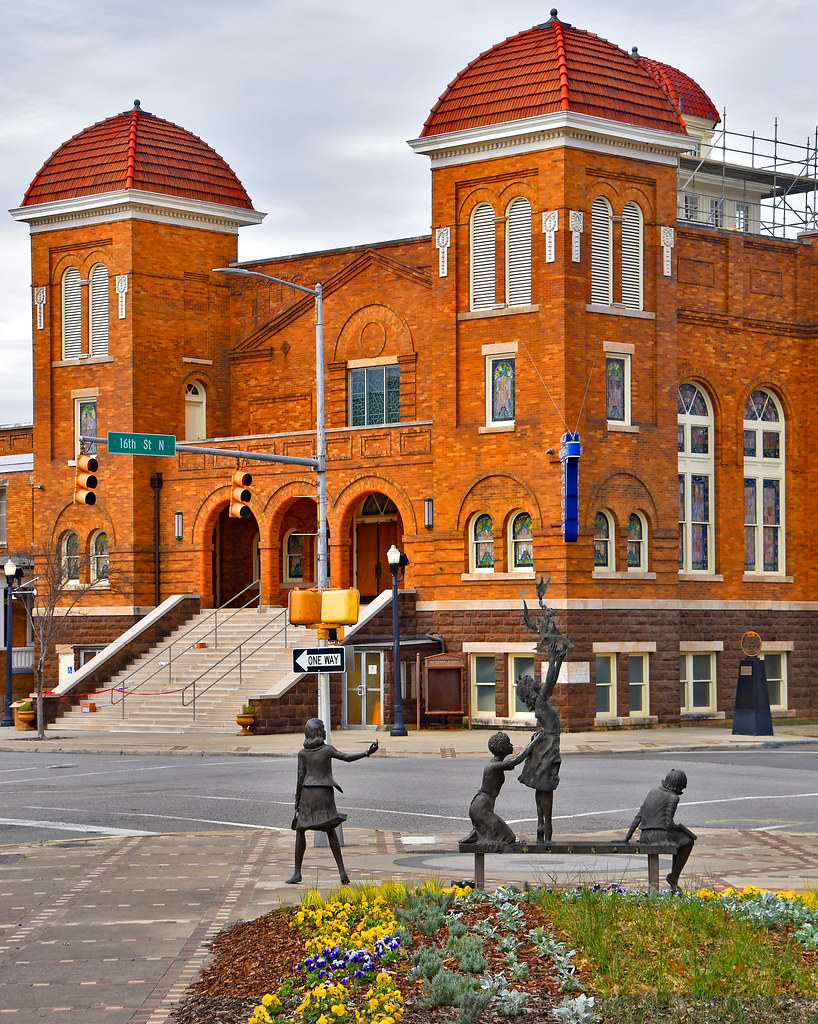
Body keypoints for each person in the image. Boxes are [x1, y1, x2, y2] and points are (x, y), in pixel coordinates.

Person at [285, 717, 378, 885]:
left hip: (307, 794)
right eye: (323, 729)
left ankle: (297, 872)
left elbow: (300, 779)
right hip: (324, 793)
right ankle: (342, 870)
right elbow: (347, 757)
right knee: (330, 829)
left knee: (300, 830)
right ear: (317, 732)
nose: (325, 732)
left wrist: (297, 800)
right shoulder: (327, 750)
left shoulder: (302, 754)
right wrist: (366, 752)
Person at [461, 731, 541, 847]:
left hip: (482, 805)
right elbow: (516, 760)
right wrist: (533, 743)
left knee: (497, 834)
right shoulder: (493, 766)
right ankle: (477, 834)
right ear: (502, 748)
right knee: (508, 838)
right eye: (509, 743)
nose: (511, 745)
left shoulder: (496, 764)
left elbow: (515, 762)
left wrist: (532, 744)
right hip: (481, 807)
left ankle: (477, 834)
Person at [624, 768, 697, 892]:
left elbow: (639, 815)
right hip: (658, 836)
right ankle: (674, 875)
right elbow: (668, 824)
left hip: (645, 836)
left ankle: (674, 876)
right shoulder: (673, 797)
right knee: (688, 841)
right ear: (678, 785)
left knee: (681, 839)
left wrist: (627, 837)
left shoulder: (653, 791)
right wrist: (680, 829)